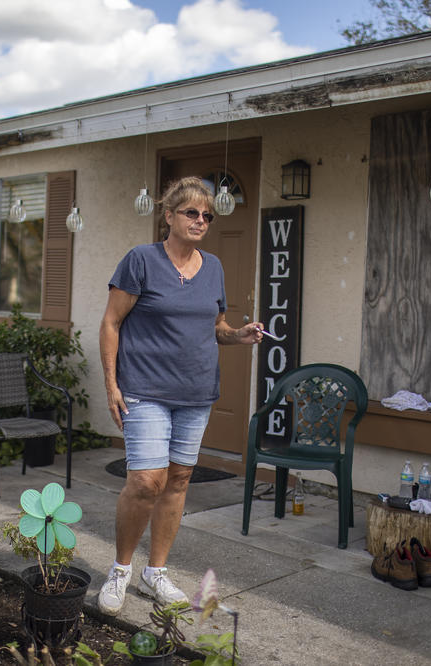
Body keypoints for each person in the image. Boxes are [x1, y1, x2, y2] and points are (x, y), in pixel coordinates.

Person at [97, 176, 263, 615]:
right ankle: (120, 570)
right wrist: (112, 385)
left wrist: (239, 334)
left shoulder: (214, 268)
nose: (201, 220)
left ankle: (156, 573)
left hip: (196, 393)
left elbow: (215, 328)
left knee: (178, 481)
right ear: (168, 216)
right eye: (191, 212)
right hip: (145, 390)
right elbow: (111, 323)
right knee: (145, 481)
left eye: (207, 215)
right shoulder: (141, 260)